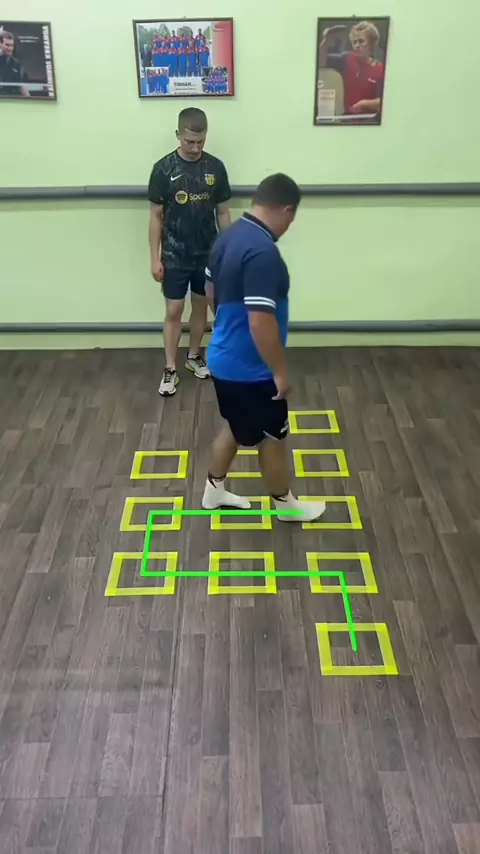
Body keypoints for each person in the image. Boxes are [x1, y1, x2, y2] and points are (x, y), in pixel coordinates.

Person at [201, 174, 326, 522]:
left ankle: (214, 491)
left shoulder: (228, 237)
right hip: (251, 371)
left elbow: (209, 291)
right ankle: (285, 506)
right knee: (273, 436)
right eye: (292, 217)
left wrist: (228, 328)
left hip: (223, 358)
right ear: (287, 210)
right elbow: (260, 321)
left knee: (236, 425)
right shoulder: (262, 252)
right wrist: (279, 372)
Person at [148, 107, 231, 396]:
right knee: (174, 309)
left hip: (206, 253)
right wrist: (155, 258)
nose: (195, 148)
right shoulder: (163, 169)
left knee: (200, 305)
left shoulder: (215, 168)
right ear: (178, 135)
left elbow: (223, 213)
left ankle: (194, 355)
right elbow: (155, 217)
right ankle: (170, 368)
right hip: (174, 253)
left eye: (200, 142)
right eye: (189, 142)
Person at [318, 20, 384, 117]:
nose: (357, 45)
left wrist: (364, 104)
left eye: (361, 41)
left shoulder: (380, 69)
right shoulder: (346, 58)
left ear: (371, 43)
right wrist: (327, 40)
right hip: (348, 118)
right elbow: (320, 60)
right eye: (354, 42)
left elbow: (384, 101)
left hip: (370, 119)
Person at [0, 30, 29, 98]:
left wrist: (31, 101)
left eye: (12, 45)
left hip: (12, 99)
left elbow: (21, 86)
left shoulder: (17, 64)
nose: (10, 48)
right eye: (7, 45)